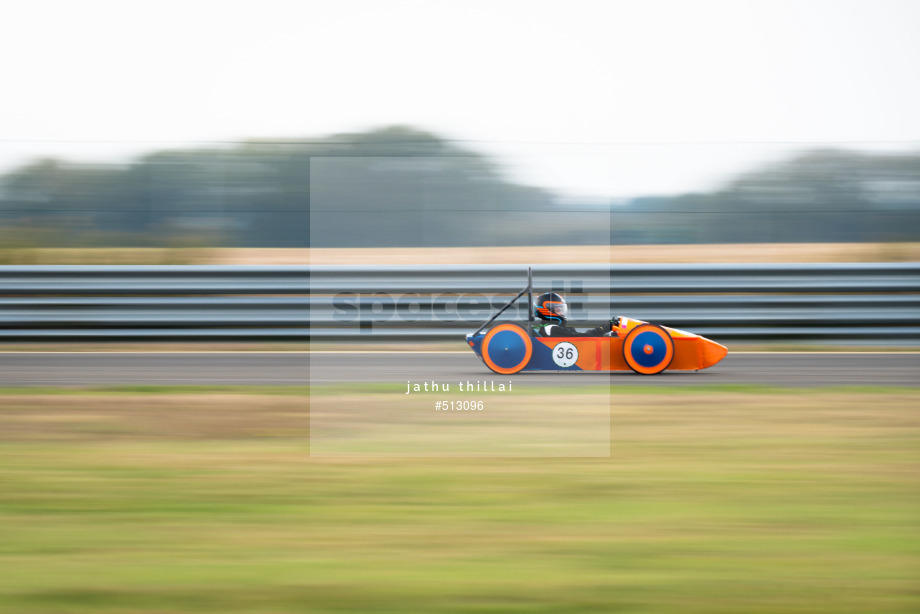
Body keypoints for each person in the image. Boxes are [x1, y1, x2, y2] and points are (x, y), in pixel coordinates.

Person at [531, 292, 619, 337]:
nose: (561, 313)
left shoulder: (548, 328)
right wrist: (603, 328)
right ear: (547, 310)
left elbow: (579, 335)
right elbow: (582, 338)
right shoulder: (552, 329)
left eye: (562, 309)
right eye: (558, 309)